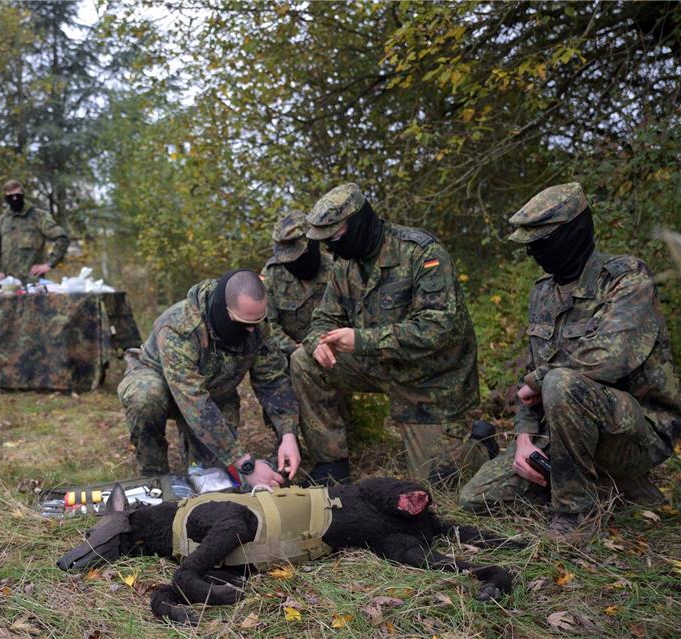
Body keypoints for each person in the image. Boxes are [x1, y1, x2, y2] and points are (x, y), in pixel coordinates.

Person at [459, 183, 680, 545]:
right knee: (476, 497)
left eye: (542, 242)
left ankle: (576, 514)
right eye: (530, 245)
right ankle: (605, 483)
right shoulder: (542, 292)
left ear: (572, 233)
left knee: (560, 382)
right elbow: (528, 379)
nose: (534, 253)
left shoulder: (627, 277)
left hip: (636, 431)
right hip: (562, 431)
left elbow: (610, 357)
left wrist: (539, 379)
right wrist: (524, 439)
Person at [290, 183, 487, 486]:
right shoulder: (345, 265)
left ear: (358, 223)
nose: (330, 249)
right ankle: (331, 462)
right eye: (325, 242)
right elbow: (324, 318)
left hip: (428, 379)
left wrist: (362, 340)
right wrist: (318, 341)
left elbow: (438, 329)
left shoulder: (421, 253)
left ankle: (480, 445)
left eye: (335, 238)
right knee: (304, 361)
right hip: (377, 365)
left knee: (436, 483)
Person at [118, 269, 302, 488]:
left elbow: (272, 380)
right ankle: (154, 480)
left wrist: (288, 434)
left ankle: (196, 461)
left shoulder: (255, 325)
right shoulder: (180, 327)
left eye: (256, 322)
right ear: (223, 310)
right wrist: (247, 465)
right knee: (146, 398)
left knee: (215, 478)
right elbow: (194, 401)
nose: (251, 330)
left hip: (213, 391)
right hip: (162, 383)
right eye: (243, 323)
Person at [260, 211, 333, 358]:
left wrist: (319, 346)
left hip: (330, 353)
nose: (294, 263)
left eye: (299, 256)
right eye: (288, 259)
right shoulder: (272, 274)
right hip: (285, 355)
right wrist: (294, 349)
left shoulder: (336, 270)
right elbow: (265, 324)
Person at [0, 180, 69, 282]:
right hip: (8, 283)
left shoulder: (39, 216)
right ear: (6, 198)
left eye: (17, 195)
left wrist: (49, 264)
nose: (14, 199)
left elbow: (62, 238)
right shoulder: (3, 220)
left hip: (32, 282)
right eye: (10, 197)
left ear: (23, 195)